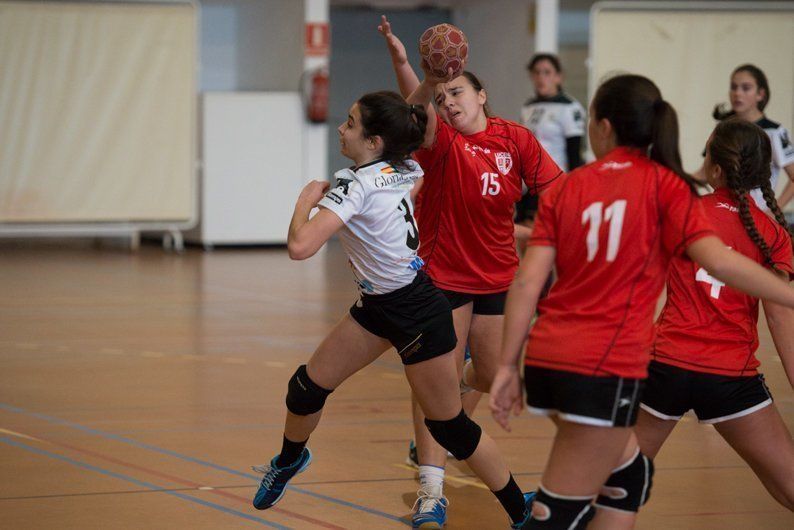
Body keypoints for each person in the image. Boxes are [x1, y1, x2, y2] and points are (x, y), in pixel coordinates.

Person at [491, 74, 794, 530]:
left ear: (604, 127)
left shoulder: (574, 186)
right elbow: (730, 269)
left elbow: (529, 281)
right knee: (568, 503)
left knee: (625, 479)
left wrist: (506, 366)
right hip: (622, 366)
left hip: (568, 357)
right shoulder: (669, 192)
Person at [251, 90, 534, 530]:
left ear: (374, 139)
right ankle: (289, 461)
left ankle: (521, 509)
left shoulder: (352, 183)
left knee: (450, 428)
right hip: (376, 308)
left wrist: (304, 203)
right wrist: (422, 75)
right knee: (305, 389)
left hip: (419, 313)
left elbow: (300, 247)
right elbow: (413, 168)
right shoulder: (404, 167)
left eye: (349, 123)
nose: (342, 130)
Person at [379, 17, 562, 527]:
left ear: (481, 95)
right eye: (444, 97)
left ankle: (447, 404)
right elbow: (413, 111)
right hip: (442, 279)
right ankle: (431, 492)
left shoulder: (515, 140)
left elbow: (558, 193)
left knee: (485, 374)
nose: (450, 103)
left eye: (458, 93)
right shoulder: (440, 143)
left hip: (498, 279)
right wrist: (428, 79)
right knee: (433, 387)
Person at [636, 118, 794, 512]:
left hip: (666, 368)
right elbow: (780, 320)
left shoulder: (682, 212)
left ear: (718, 169)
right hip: (731, 378)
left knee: (618, 485)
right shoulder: (772, 234)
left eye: (707, 153)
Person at [701, 64, 794, 209]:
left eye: (746, 88)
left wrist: (775, 209)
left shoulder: (774, 131)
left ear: (760, 94)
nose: (737, 93)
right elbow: (706, 171)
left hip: (758, 215)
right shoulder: (723, 129)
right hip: (727, 211)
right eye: (733, 87)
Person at [516, 54, 586, 229]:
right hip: (529, 182)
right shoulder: (528, 106)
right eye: (537, 72)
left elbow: (574, 152)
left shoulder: (569, 107)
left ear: (558, 77)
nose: (541, 77)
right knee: (524, 232)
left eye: (547, 72)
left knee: (544, 235)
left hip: (554, 182)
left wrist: (573, 190)